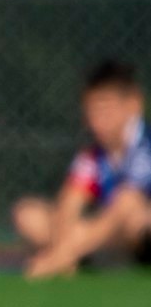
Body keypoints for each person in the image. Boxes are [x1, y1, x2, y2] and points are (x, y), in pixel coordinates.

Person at [14, 59, 151, 278]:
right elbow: (70, 202)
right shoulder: (94, 156)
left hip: (137, 235)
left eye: (105, 110)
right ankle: (85, 256)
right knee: (29, 214)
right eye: (91, 112)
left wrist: (60, 255)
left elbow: (127, 203)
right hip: (104, 237)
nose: (97, 122)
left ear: (133, 103)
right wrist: (65, 242)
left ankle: (74, 255)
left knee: (133, 211)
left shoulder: (146, 147)